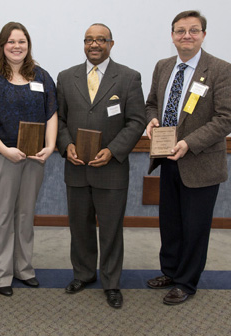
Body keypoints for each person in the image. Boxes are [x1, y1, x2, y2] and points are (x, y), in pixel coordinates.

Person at [145, 10, 231, 305]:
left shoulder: (221, 69)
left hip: (200, 160)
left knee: (195, 225)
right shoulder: (163, 67)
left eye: (193, 30)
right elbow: (151, 104)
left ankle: (186, 281)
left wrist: (189, 142)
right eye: (180, 31)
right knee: (170, 221)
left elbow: (228, 117)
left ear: (203, 35)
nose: (187, 35)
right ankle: (171, 271)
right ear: (172, 36)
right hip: (167, 158)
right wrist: (151, 121)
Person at [56, 23, 146, 309]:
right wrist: (65, 144)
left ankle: (111, 282)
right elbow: (58, 119)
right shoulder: (66, 77)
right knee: (79, 227)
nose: (94, 44)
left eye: (101, 40)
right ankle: (83, 274)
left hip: (112, 169)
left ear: (111, 43)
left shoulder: (129, 78)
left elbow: (136, 121)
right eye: (89, 40)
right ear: (84, 44)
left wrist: (112, 150)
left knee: (110, 229)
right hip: (76, 167)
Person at [0, 22, 58, 297]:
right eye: (11, 41)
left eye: (22, 41)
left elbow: (52, 114)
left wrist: (51, 145)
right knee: (1, 216)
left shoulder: (41, 76)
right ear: (2, 46)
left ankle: (24, 269)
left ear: (28, 45)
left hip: (35, 157)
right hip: (3, 157)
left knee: (25, 215)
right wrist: (4, 150)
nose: (17, 46)